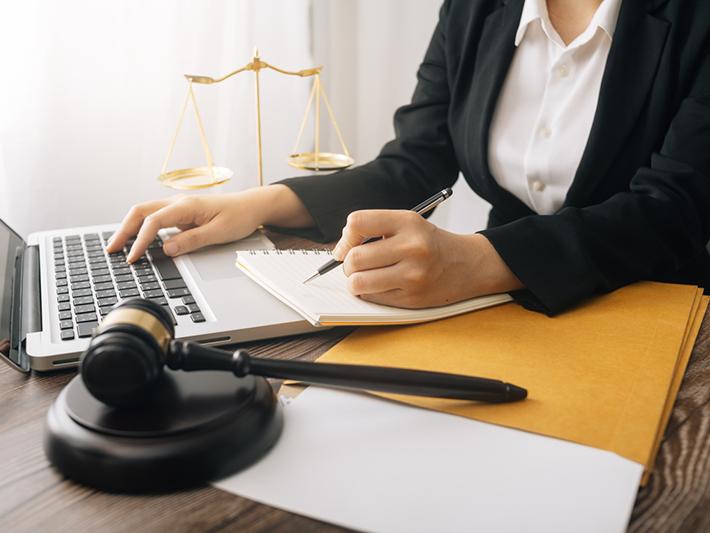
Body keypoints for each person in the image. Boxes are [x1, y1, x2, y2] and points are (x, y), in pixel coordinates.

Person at [107, 0, 710, 316]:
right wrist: (250, 206)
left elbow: (673, 208)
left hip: (661, 304)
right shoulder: (478, 7)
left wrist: (478, 261)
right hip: (510, 306)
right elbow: (417, 160)